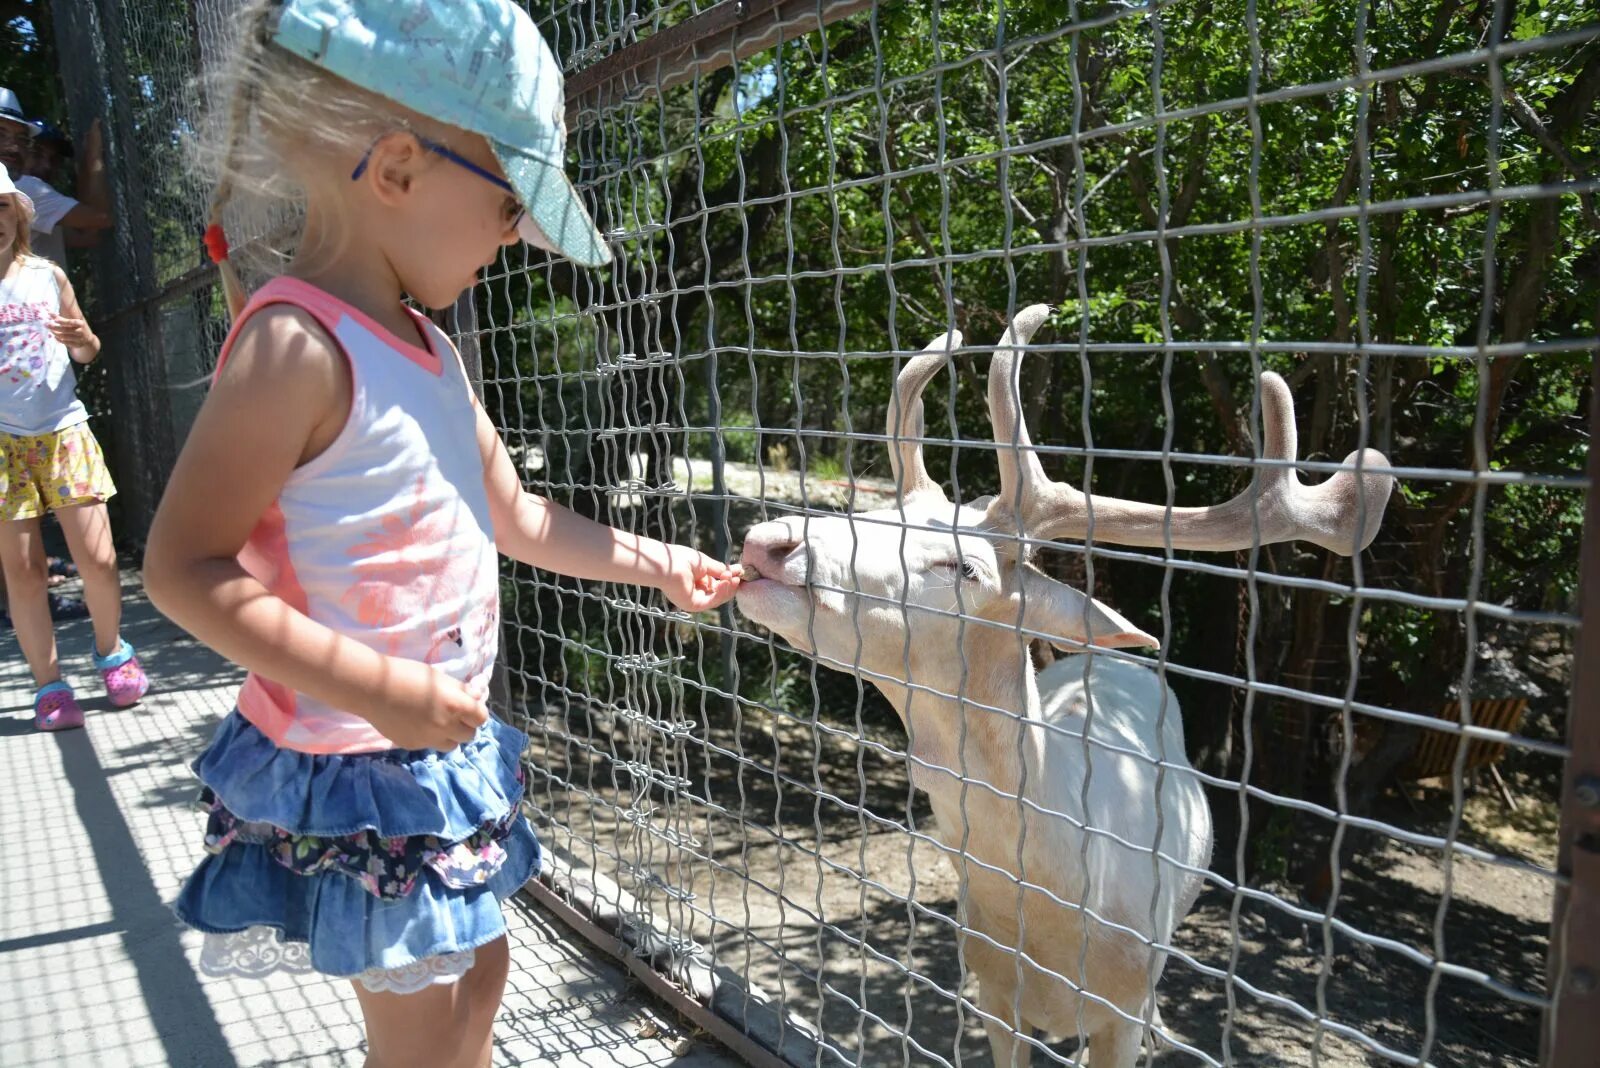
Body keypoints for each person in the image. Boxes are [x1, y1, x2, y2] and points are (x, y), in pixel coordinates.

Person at [142, 3, 741, 1065]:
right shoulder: (295, 347)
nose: (514, 234)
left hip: (436, 753)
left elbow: (513, 517)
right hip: (363, 767)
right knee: (417, 1030)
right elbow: (183, 569)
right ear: (400, 170)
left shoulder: (428, 348)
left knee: (483, 971)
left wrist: (656, 564)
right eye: (509, 203)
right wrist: (377, 690)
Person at [0, 164, 150, 730]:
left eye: (0, 207)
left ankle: (113, 654)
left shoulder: (47, 276)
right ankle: (50, 688)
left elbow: (87, 351)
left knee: (100, 559)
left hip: (64, 431)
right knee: (25, 573)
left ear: (18, 214)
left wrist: (83, 339)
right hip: (3, 447)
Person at [0, 91, 113, 267]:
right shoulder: (24, 189)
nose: (46, 166)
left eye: (55, 160)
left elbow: (86, 235)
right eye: (37, 154)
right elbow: (99, 218)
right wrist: (93, 157)